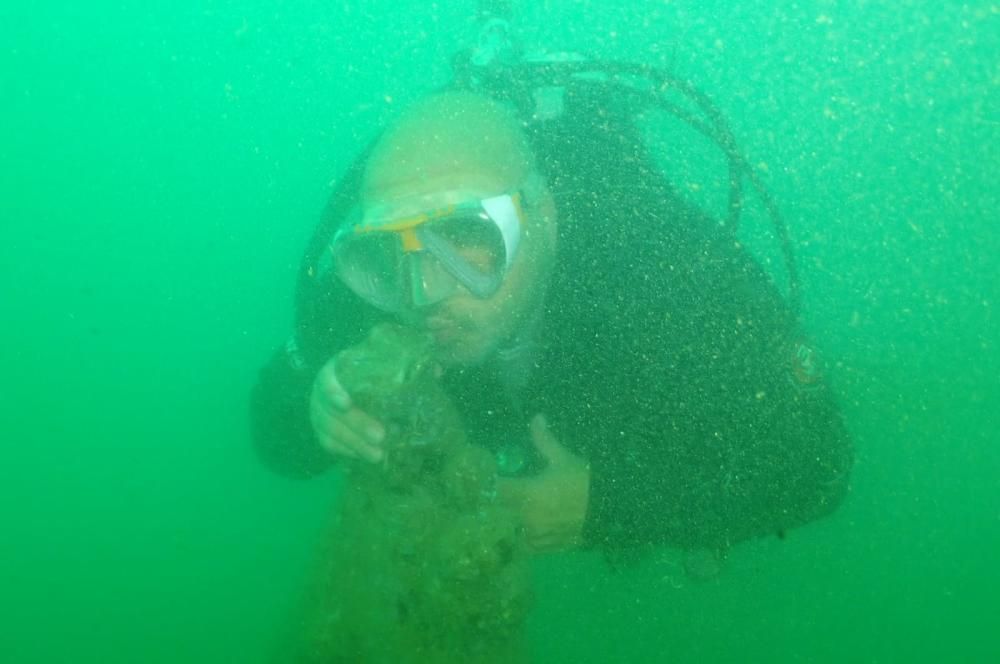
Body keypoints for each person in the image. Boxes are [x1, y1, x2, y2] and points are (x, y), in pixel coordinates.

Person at [250, 88, 853, 559]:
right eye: (387, 256)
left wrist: (608, 509)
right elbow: (277, 440)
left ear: (544, 215)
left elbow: (817, 463)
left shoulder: (661, 265)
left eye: (467, 239)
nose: (424, 294)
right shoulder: (363, 292)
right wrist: (315, 409)